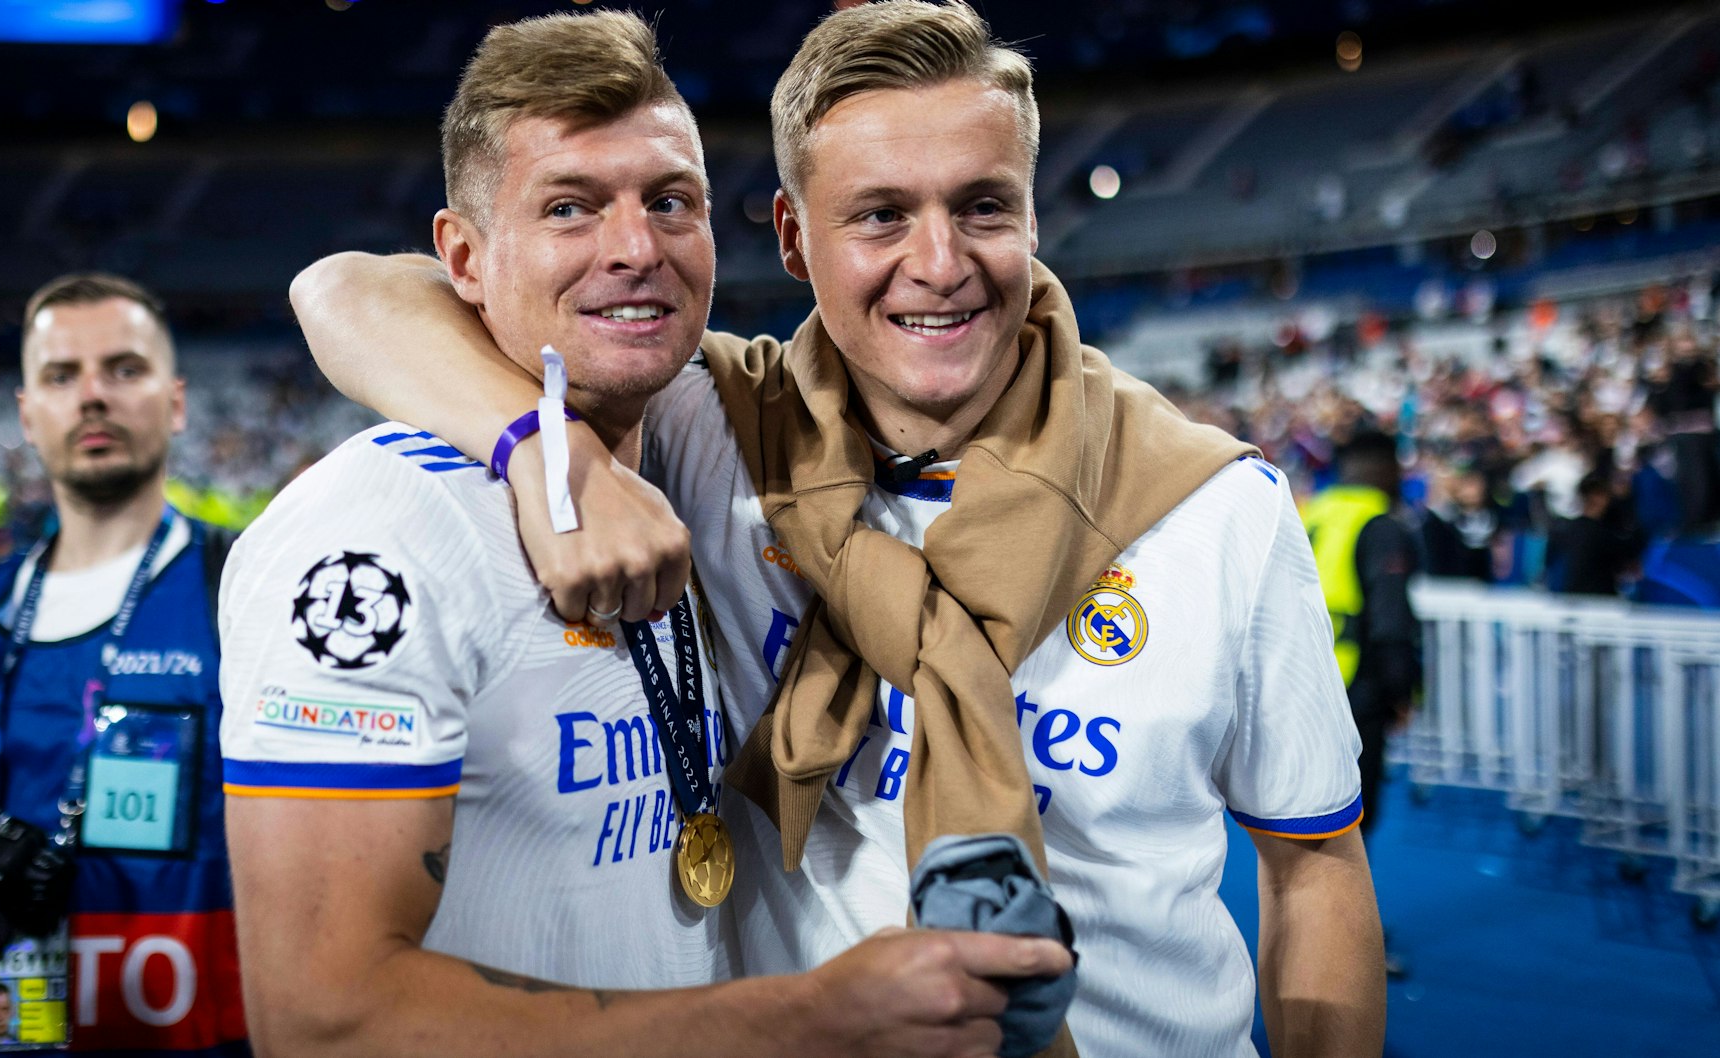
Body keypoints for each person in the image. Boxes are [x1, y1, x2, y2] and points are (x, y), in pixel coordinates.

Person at [290, 3, 1386, 1055]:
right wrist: (542, 447)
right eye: (879, 214)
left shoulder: (1210, 507)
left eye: (983, 206)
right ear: (792, 236)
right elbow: (348, 292)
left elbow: (1313, 862)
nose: (940, 261)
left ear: (1031, 217)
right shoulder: (716, 426)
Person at [217, 12, 1068, 1058]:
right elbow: (321, 1019)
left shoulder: (690, 431)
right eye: (569, 207)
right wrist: (807, 1020)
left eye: (670, 201)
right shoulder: (373, 539)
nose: (635, 248)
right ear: (464, 257)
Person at [0, 273, 247, 1057]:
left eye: (123, 369)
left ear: (176, 402)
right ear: (28, 416)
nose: (92, 397)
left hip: (182, 1026)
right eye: (60, 375)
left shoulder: (243, 588)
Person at [1300, 430, 1419, 885]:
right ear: (1386, 471)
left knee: (1306, 816)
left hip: (1306, 679)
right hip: (1359, 687)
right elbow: (1391, 620)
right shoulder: (1381, 525)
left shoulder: (1314, 512)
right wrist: (1401, 690)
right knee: (1351, 821)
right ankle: (1348, 942)